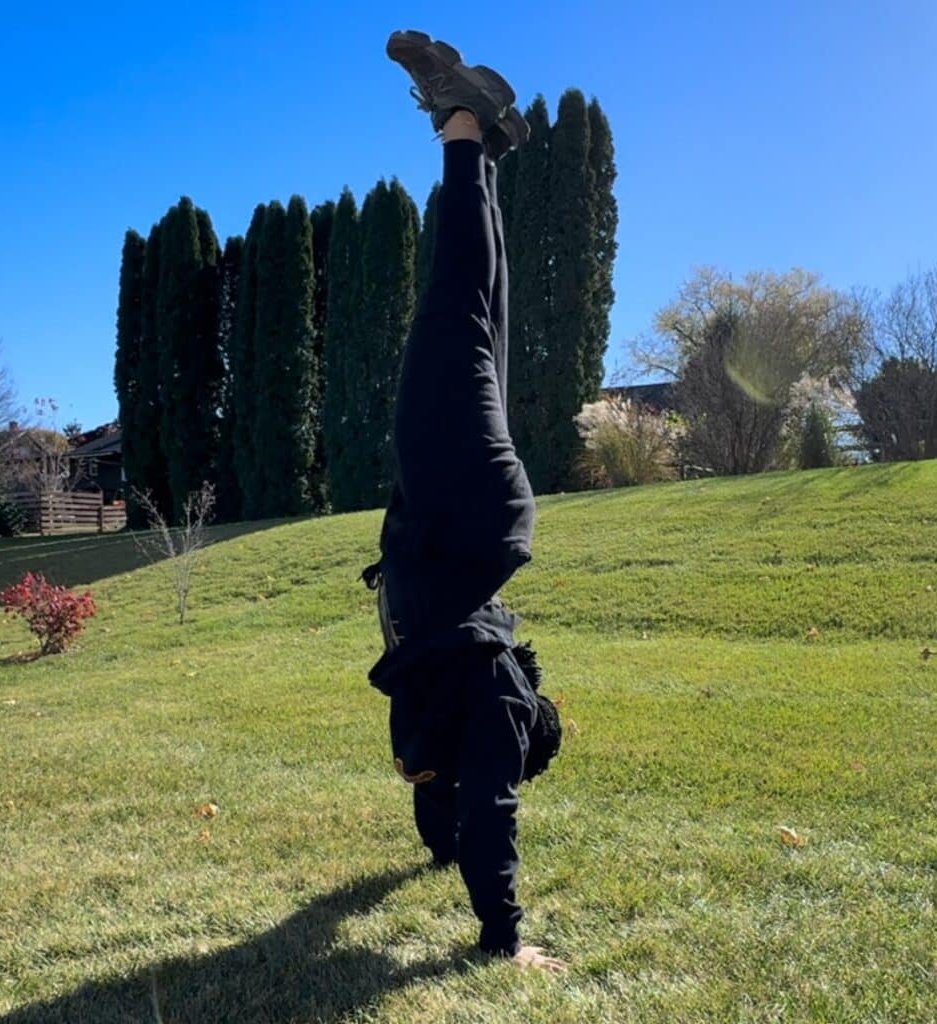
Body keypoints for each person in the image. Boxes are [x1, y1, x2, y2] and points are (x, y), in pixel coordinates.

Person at [360, 31, 565, 973]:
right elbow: (491, 810)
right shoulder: (483, 697)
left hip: (459, 509)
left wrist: (438, 847)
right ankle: (460, 124)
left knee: (478, 320)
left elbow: (450, 814)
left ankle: (481, 140)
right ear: (522, 722)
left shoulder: (430, 742)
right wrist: (505, 940)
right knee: (453, 314)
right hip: (461, 496)